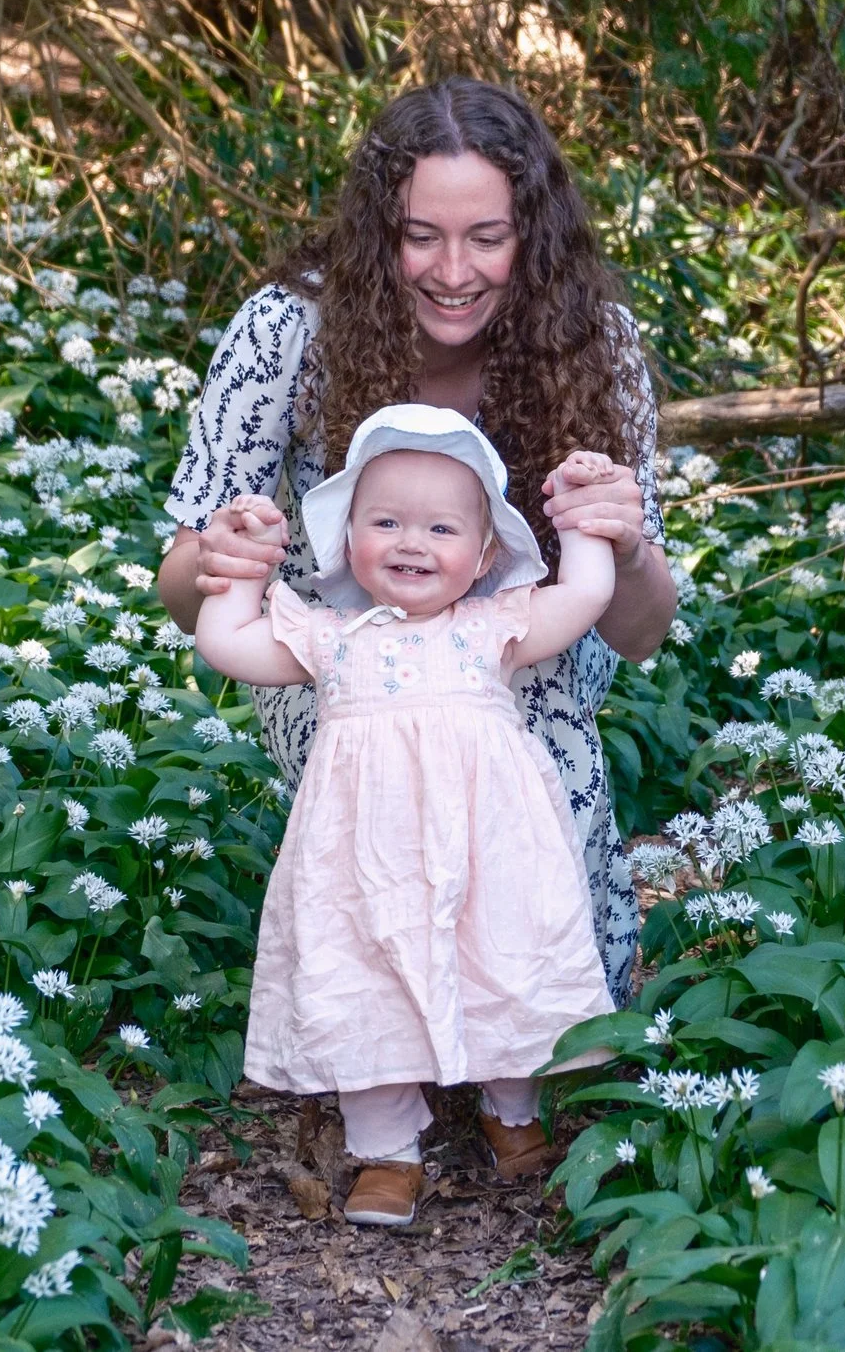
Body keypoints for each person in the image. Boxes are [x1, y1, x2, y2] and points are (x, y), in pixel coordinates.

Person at [158, 76, 677, 1017]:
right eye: (421, 235)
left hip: (526, 640)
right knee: (371, 760)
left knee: (540, 754)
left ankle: (541, 1032)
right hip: (338, 642)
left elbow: (641, 633)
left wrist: (625, 544)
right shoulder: (288, 330)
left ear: (533, 234)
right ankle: (375, 1042)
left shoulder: (593, 339)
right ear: (378, 231)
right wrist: (219, 559)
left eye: (487, 237)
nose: (453, 270)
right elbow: (182, 585)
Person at [196, 406, 624, 1223]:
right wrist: (244, 565)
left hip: (487, 848)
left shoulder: (495, 625)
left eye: (440, 527)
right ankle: (386, 1151)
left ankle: (513, 1111)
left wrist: (583, 512)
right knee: (363, 975)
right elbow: (227, 643)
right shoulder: (333, 636)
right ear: (349, 535)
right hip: (364, 858)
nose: (410, 542)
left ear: (487, 551)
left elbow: (591, 591)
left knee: (504, 957)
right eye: (385, 521)